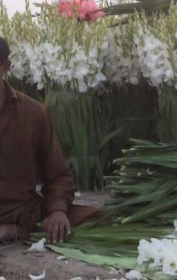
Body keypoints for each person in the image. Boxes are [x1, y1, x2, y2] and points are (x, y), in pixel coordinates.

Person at [0, 36, 101, 245]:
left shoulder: (33, 114)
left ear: (5, 67)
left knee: (101, 217)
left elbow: (58, 174)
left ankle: (15, 230)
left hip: (19, 213)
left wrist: (57, 210)